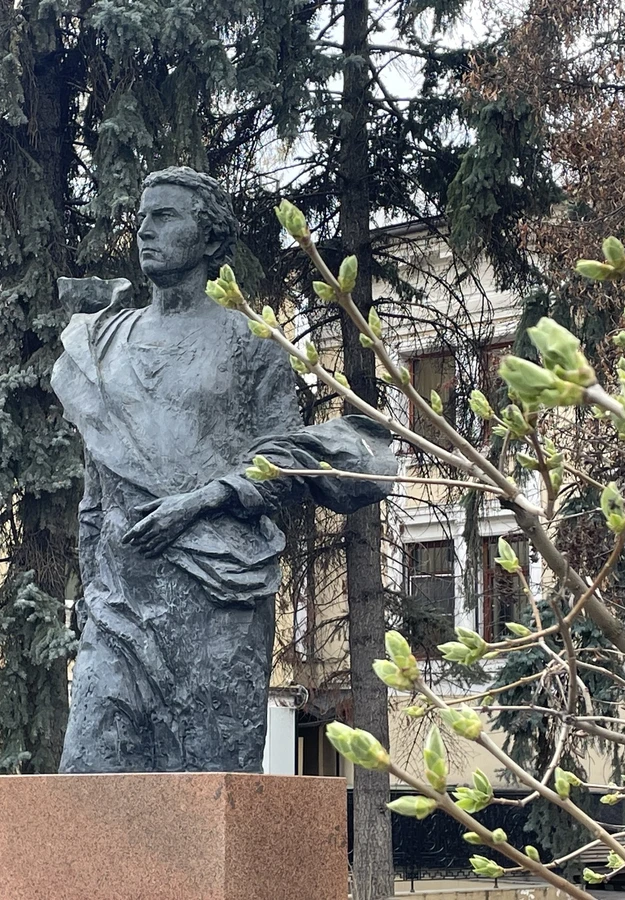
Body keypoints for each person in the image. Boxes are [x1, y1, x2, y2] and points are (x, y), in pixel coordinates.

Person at [52, 167, 395, 773]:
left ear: (210, 239)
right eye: (142, 216)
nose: (145, 229)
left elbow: (285, 459)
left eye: (165, 216)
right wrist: (92, 588)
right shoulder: (106, 342)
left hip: (218, 596)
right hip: (119, 600)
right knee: (90, 775)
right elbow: (95, 488)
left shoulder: (252, 342)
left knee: (211, 779)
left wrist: (200, 501)